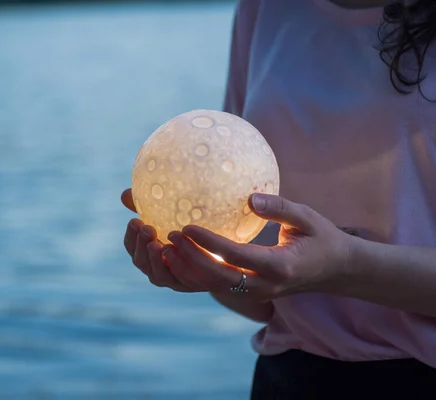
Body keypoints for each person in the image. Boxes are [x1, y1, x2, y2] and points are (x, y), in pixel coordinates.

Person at [121, 0, 436, 398]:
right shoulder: (264, 9)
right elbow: (261, 301)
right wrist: (217, 274)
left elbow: (319, 269)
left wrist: (344, 266)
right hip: (291, 374)